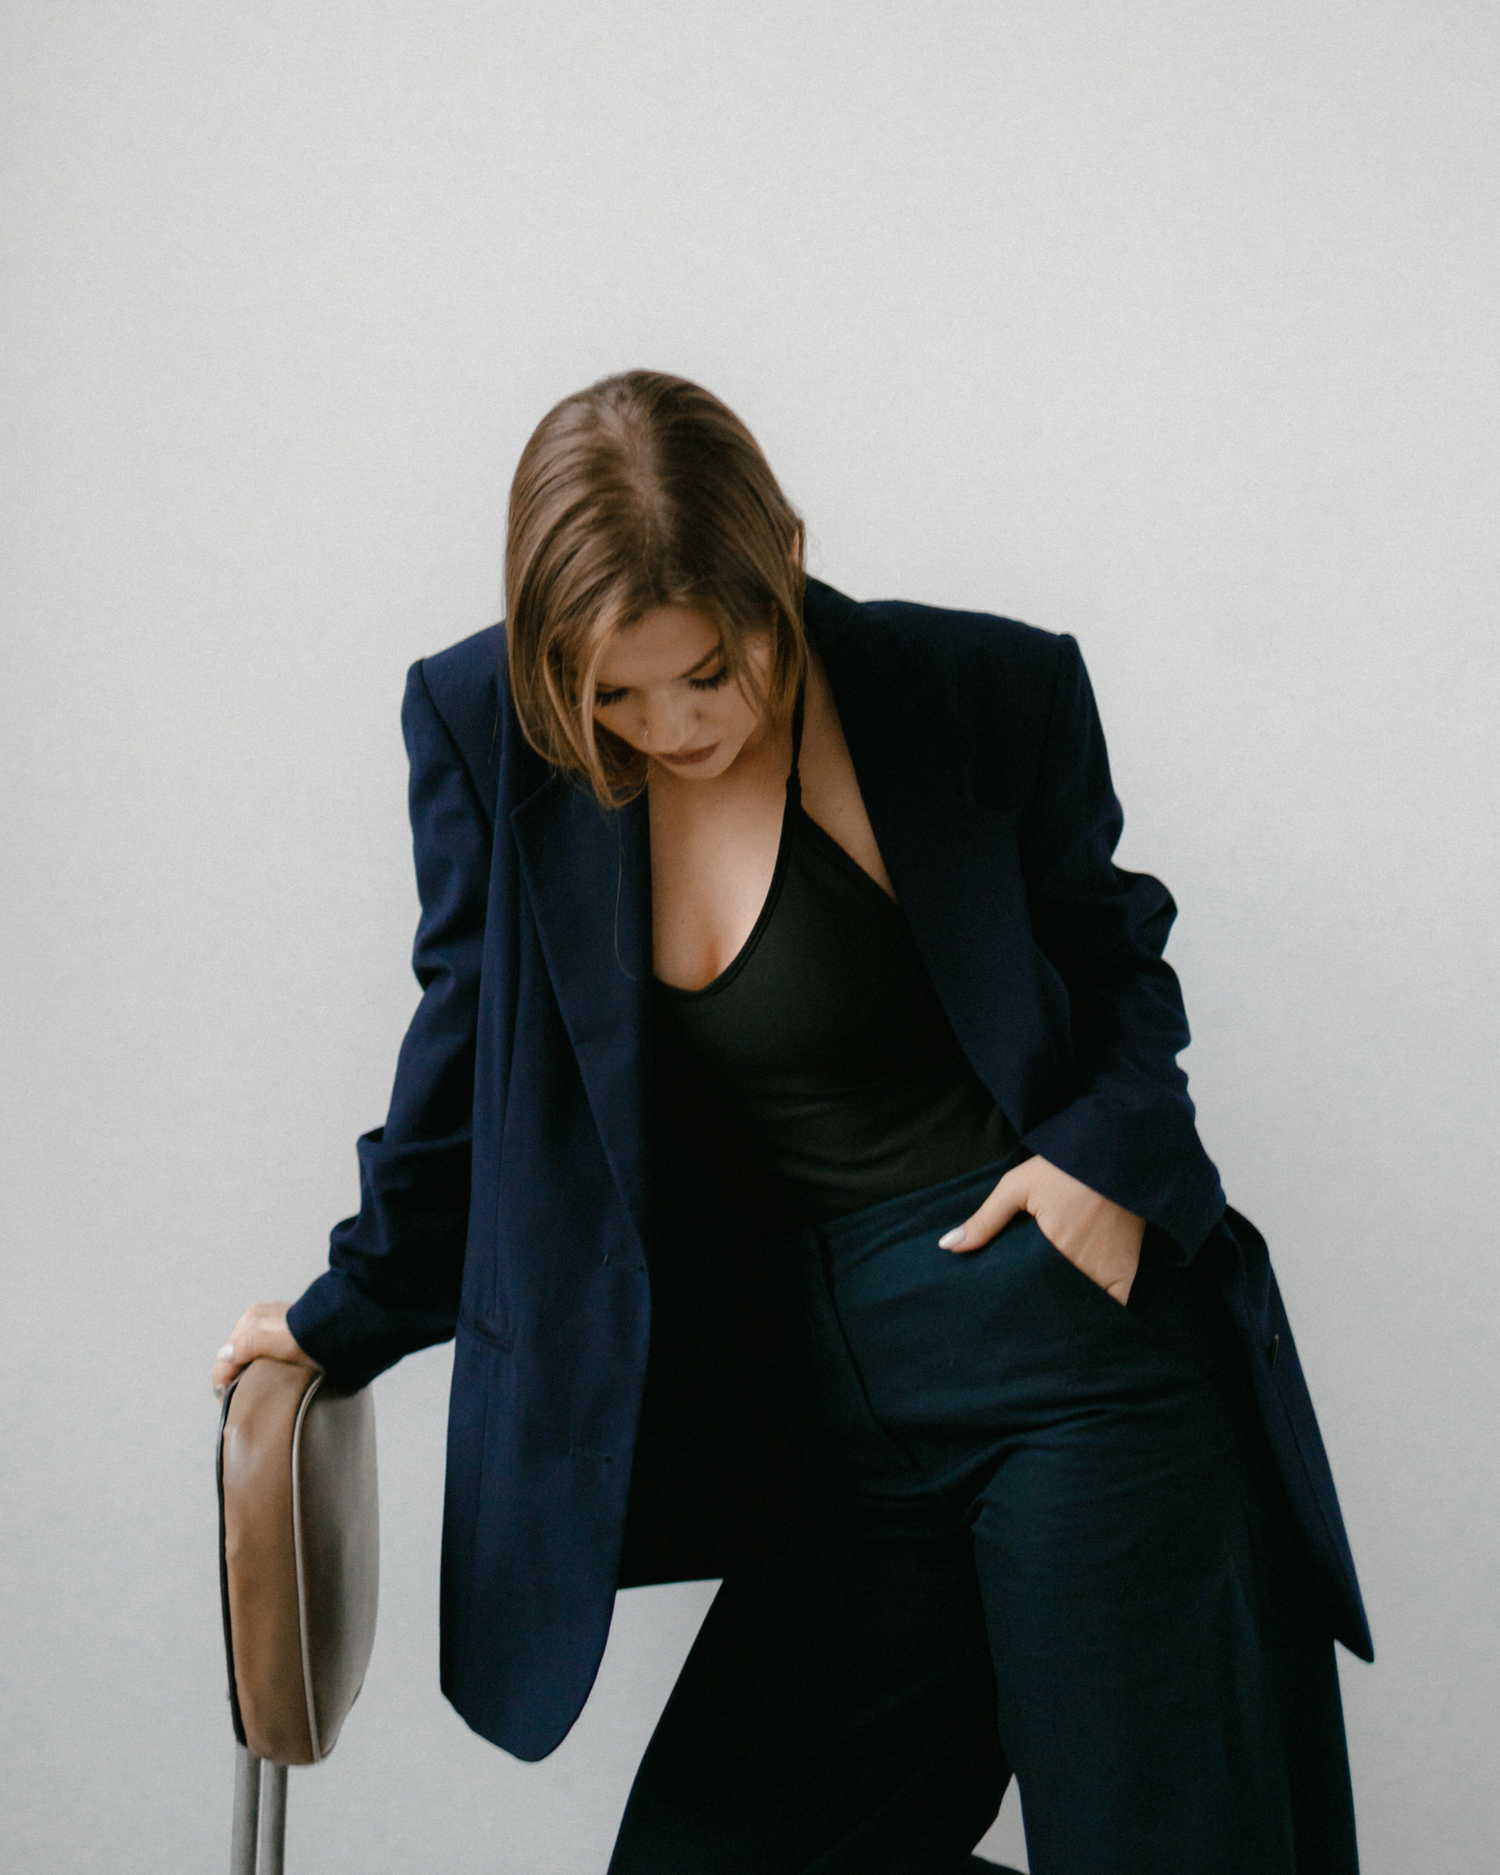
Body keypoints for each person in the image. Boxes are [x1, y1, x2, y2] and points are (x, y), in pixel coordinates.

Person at [213, 371, 1368, 1873]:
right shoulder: (488, 729)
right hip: (821, 1426)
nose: (669, 726)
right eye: (613, 693)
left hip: (1069, 1362)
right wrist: (338, 1316)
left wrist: (1107, 1163)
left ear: (782, 569)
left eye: (708, 672)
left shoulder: (980, 689)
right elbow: (459, 1068)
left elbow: (1117, 967)